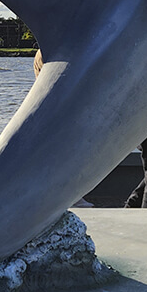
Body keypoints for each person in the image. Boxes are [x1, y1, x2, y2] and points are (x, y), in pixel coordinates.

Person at [33, 49, 93, 208]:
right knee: (64, 151)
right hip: (61, 109)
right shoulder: (54, 52)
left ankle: (72, 196)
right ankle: (70, 197)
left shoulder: (52, 49)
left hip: (59, 108)